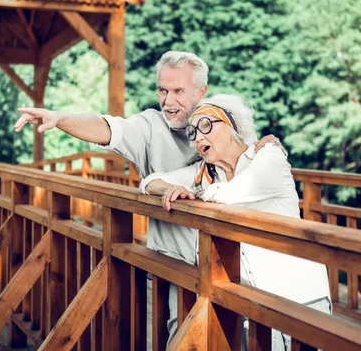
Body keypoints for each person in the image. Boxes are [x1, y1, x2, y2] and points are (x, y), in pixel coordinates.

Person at [14, 51, 279, 341]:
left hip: (229, 265)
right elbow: (108, 128)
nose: (168, 101)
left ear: (201, 92)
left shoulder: (217, 123)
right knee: (176, 339)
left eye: (178, 91)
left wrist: (264, 147)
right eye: (163, 91)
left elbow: (245, 159)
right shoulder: (150, 126)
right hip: (173, 266)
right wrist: (60, 118)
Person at [139, 94, 331, 350]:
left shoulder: (268, 155)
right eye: (193, 132)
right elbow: (149, 182)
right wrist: (170, 188)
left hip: (298, 295)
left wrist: (194, 194)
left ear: (233, 126)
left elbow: (230, 195)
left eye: (206, 126)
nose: (198, 138)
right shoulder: (206, 172)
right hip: (254, 299)